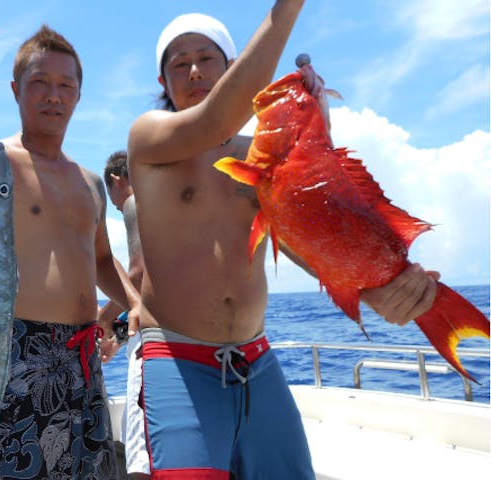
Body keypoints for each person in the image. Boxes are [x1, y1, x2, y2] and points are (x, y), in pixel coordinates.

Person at [127, 4, 439, 479]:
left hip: (256, 361)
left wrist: (370, 288)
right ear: (163, 83)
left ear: (230, 69)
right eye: (178, 62)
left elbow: (300, 234)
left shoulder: (257, 156)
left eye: (207, 58)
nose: (193, 70)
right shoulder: (148, 138)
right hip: (176, 358)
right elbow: (214, 120)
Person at [0, 9, 141, 479]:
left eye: (66, 85)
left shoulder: (91, 183)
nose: (54, 95)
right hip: (13, 356)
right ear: (15, 90)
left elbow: (98, 258)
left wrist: (134, 304)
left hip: (83, 358)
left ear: (78, 95)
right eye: (39, 82)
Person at [99, 150, 153, 479]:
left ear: (118, 181)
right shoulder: (169, 204)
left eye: (113, 200)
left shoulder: (134, 202)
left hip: (154, 348)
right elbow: (149, 299)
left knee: (140, 456)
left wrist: (104, 317)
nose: (117, 207)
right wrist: (119, 338)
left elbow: (138, 277)